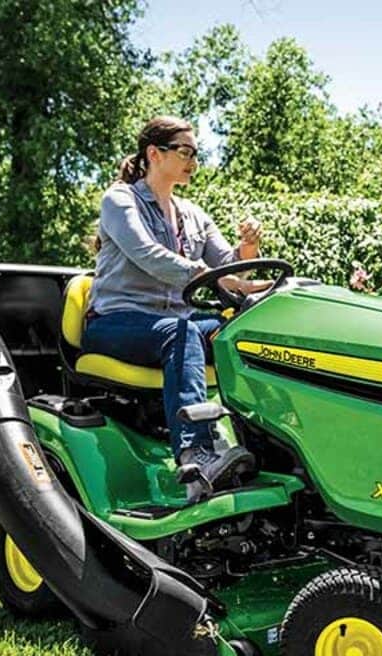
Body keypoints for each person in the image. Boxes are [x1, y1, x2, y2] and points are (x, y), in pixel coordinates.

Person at [84, 115, 267, 501]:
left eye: (195, 154)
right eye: (184, 151)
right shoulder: (121, 200)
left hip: (172, 323)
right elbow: (149, 255)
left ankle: (261, 445)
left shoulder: (194, 214)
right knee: (179, 331)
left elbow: (228, 267)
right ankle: (196, 454)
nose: (192, 161)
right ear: (154, 153)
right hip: (116, 323)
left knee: (235, 332)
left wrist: (248, 250)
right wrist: (213, 276)